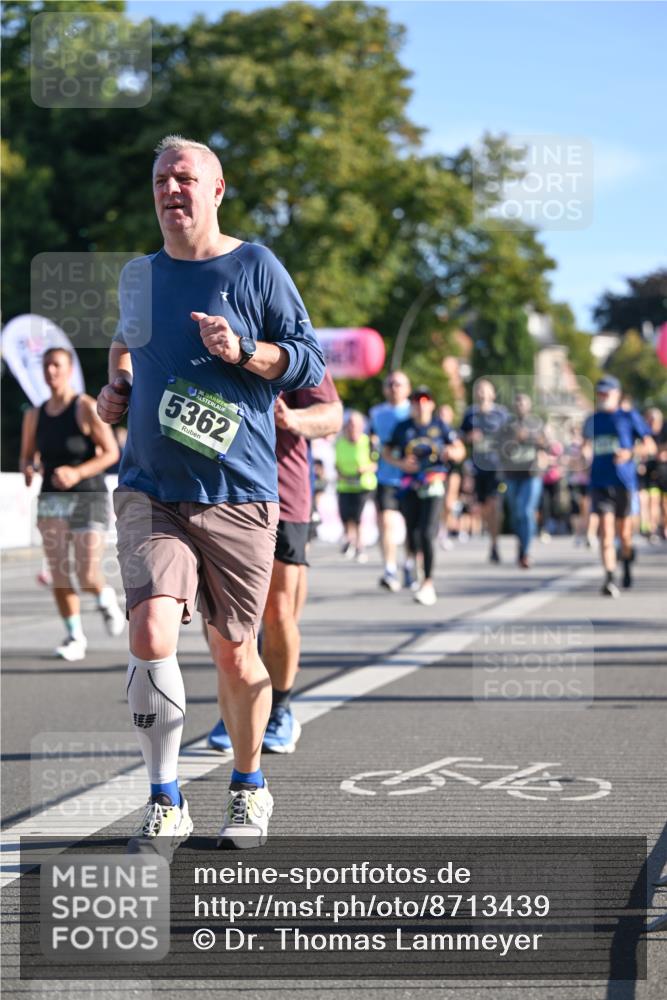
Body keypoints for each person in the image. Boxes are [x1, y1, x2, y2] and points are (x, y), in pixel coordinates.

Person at [96, 135, 325, 853]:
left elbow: (308, 361)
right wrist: (117, 392)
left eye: (185, 178)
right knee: (150, 633)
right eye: (161, 178)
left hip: (238, 493)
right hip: (151, 490)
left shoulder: (255, 266)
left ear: (217, 189)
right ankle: (164, 797)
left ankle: (248, 784)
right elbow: (124, 347)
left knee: (233, 651)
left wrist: (244, 353)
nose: (172, 189)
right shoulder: (139, 275)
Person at [208, 374, 342, 755]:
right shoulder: (204, 334)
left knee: (278, 610)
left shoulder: (287, 333)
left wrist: (293, 420)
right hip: (222, 491)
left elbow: (332, 415)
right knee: (225, 616)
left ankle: (279, 708)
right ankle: (238, 702)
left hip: (283, 492)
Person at [19, 347, 125, 661]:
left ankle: (105, 596)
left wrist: (76, 471)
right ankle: (74, 635)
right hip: (52, 498)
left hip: (87, 495)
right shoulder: (34, 414)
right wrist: (27, 467)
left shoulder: (85, 407)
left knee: (86, 572)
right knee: (59, 569)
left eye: (57, 365)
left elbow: (111, 453)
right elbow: (27, 455)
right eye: (47, 366)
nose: (51, 371)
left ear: (68, 369)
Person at [384, 386, 465, 605]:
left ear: (431, 404)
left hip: (433, 485)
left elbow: (460, 450)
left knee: (427, 532)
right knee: (413, 533)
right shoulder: (403, 428)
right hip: (409, 486)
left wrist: (452, 453)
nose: (420, 404)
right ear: (411, 405)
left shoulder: (441, 426)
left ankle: (428, 583)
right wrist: (401, 463)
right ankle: (413, 565)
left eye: (425, 400)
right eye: (416, 400)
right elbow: (386, 451)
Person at [582, 375, 654, 597]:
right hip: (599, 481)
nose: (602, 397)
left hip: (624, 482)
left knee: (624, 534)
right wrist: (584, 456)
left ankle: (626, 563)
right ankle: (609, 577)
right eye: (599, 393)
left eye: (606, 393)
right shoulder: (592, 420)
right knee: (606, 530)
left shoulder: (629, 416)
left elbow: (650, 447)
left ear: (617, 394)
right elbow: (585, 446)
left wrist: (629, 453)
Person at [369, 371, 412, 590]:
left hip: (411, 478)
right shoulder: (376, 413)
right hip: (385, 477)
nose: (394, 387)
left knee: (411, 528)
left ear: (408, 389)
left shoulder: (414, 412)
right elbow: (370, 440)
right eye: (390, 383)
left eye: (399, 384)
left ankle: (410, 564)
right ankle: (390, 569)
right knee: (386, 521)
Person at [496, 392, 548, 568]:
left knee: (526, 510)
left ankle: (526, 551)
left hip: (531, 474)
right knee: (516, 514)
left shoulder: (536, 424)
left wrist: (530, 438)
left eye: (523, 403)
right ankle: (521, 544)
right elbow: (499, 448)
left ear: (529, 405)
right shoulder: (507, 425)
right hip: (512, 474)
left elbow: (546, 443)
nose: (520, 406)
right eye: (517, 403)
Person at [460, 379, 508, 562]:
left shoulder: (501, 414)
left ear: (492, 394)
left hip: (496, 467)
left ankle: (494, 544)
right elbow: (460, 438)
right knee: (484, 507)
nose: (481, 394)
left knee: (495, 504)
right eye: (478, 390)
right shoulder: (470, 414)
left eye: (485, 390)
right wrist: (468, 437)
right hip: (477, 467)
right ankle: (491, 534)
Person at [335, 411, 377, 562]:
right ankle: (349, 541)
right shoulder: (339, 442)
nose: (353, 427)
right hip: (345, 485)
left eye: (356, 424)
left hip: (363, 485)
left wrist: (365, 469)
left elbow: (375, 463)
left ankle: (360, 546)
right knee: (345, 517)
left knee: (358, 517)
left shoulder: (368, 442)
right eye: (350, 424)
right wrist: (340, 472)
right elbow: (335, 462)